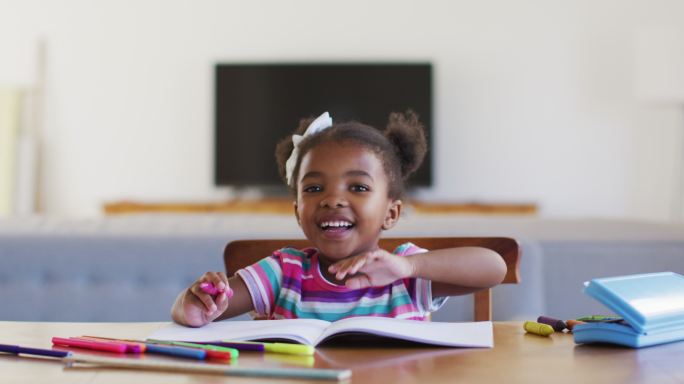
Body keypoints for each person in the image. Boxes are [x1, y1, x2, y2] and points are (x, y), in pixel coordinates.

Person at [171, 111, 507, 327]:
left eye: (358, 186)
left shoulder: (402, 270)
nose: (332, 199)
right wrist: (195, 304)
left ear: (391, 213)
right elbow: (199, 311)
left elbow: (494, 267)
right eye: (314, 187)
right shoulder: (281, 272)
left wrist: (411, 268)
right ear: (297, 210)